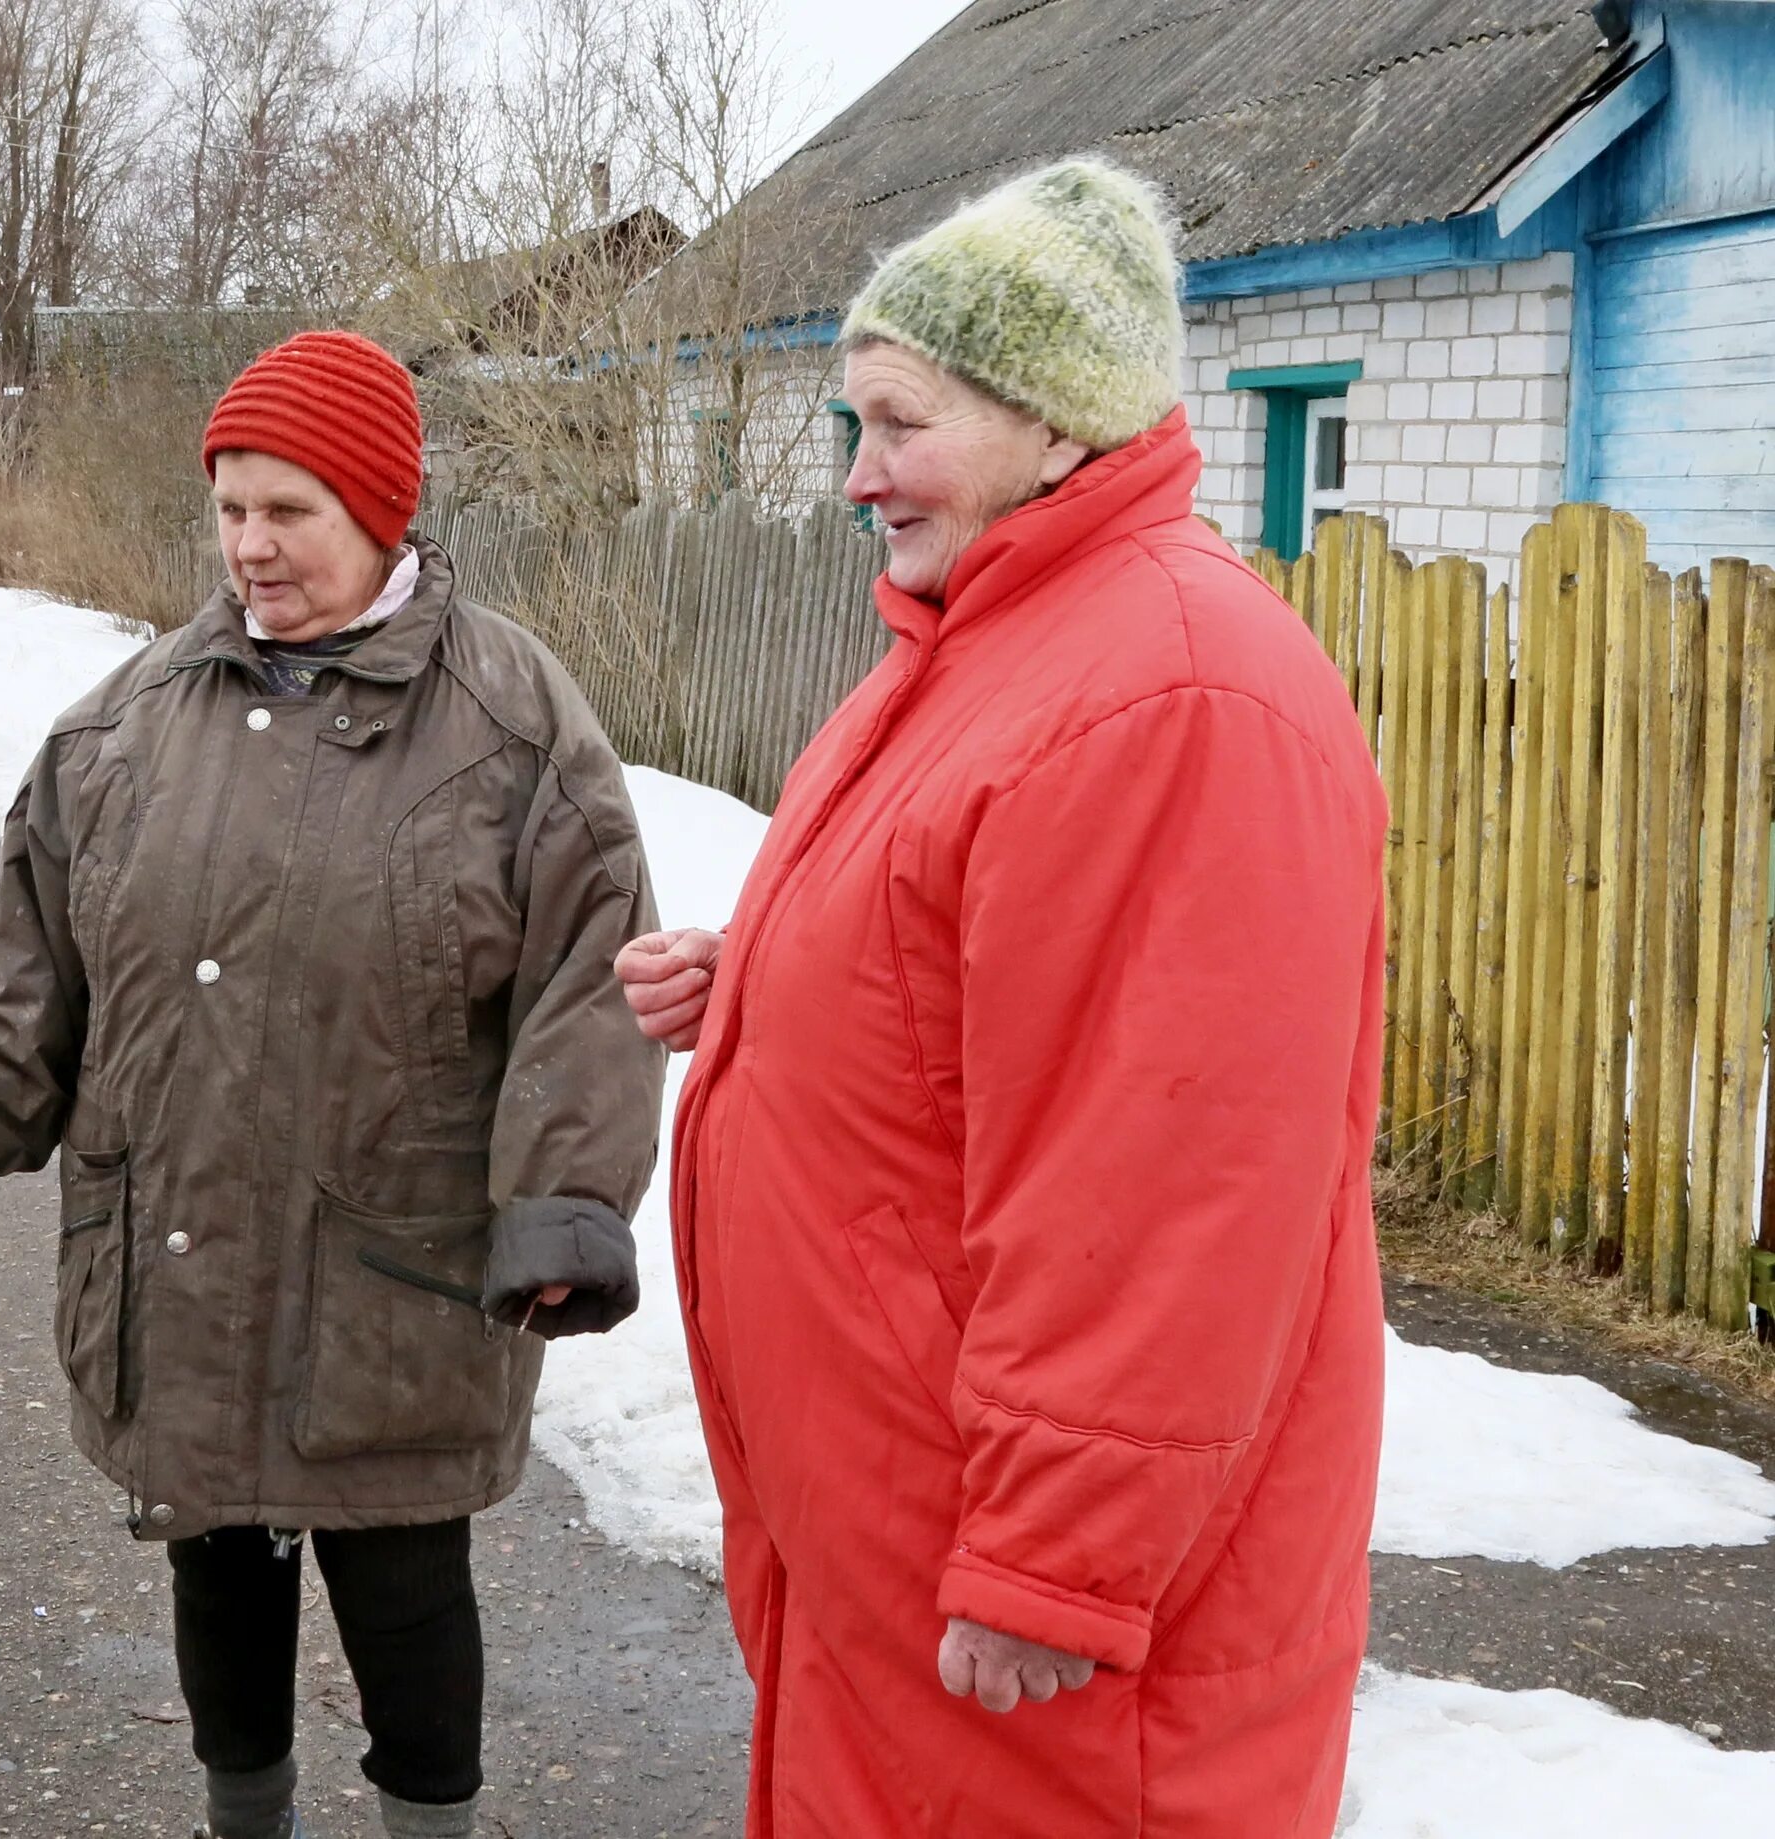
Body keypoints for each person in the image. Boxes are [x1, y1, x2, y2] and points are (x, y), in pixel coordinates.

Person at [621, 160, 1389, 1836]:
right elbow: (978, 983)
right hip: (892, 1509)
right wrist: (760, 987)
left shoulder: (1170, 693)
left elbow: (1179, 1183)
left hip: (1037, 1603)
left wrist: (1057, 1557)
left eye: (898, 424)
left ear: (1055, 426)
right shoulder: (995, 643)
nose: (857, 476)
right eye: (856, 423)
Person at [0, 329, 664, 1839]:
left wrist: (561, 1203)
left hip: (395, 1253)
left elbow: (591, 973)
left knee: (404, 1574)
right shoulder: (127, 724)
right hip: (182, 1234)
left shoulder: (509, 721)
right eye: (230, 507)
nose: (250, 545)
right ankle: (248, 1821)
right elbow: (41, 949)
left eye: (287, 510)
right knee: (215, 1550)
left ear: (379, 511)